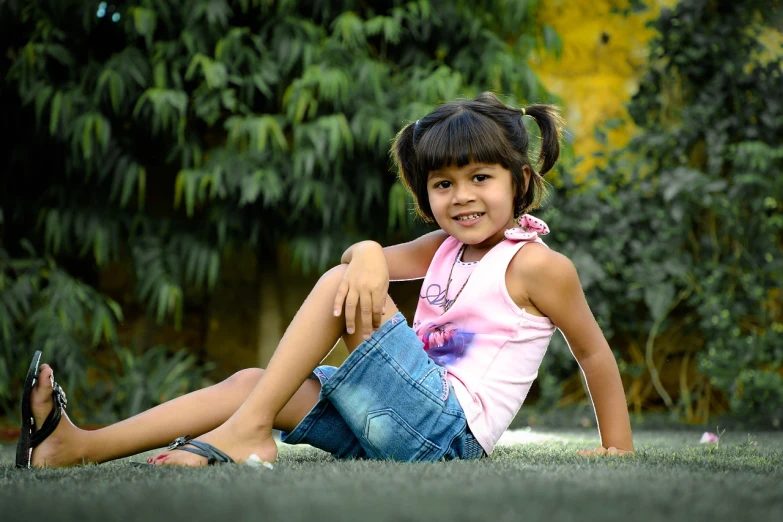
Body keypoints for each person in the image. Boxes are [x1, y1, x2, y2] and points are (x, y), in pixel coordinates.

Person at [16, 92, 634, 469]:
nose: (462, 197)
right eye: (444, 184)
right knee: (255, 381)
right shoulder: (444, 248)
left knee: (345, 288)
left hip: (447, 437)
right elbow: (368, 258)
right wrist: (366, 249)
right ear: (426, 194)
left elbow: (593, 353)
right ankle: (77, 447)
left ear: (519, 182)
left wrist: (618, 448)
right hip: (399, 420)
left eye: (480, 178)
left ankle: (245, 434)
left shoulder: (537, 265)